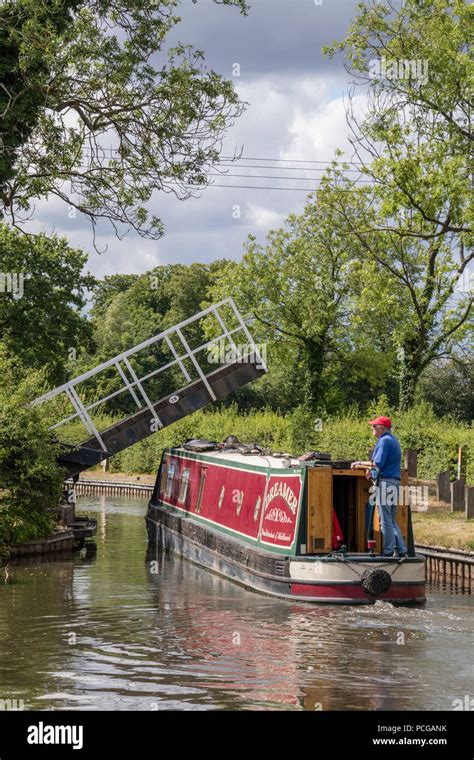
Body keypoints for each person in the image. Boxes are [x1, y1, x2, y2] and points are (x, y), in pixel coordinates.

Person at [351, 416, 407, 558]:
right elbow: (385, 464)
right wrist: (373, 473)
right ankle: (402, 550)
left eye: (374, 426)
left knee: (385, 521)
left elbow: (378, 463)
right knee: (392, 519)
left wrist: (358, 464)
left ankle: (388, 552)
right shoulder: (394, 440)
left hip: (385, 483)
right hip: (394, 482)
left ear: (382, 428)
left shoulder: (383, 441)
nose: (372, 428)